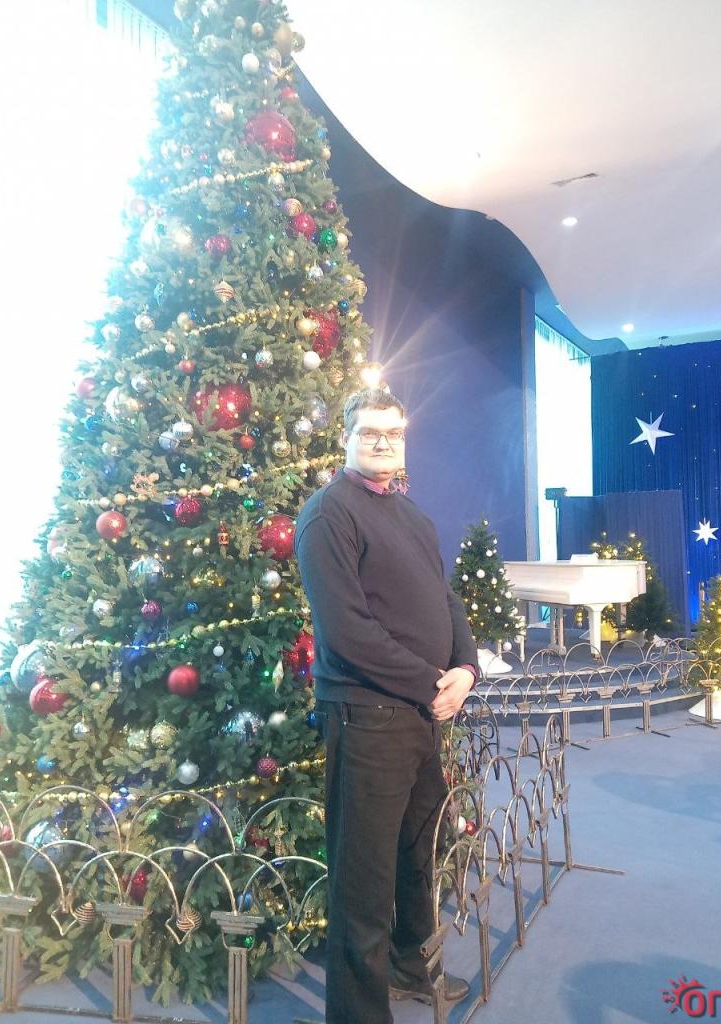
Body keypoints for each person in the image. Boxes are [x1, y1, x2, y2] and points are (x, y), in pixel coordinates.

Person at [294, 388, 478, 1024]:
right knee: (364, 879)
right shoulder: (328, 515)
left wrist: (466, 669)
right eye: (369, 432)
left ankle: (409, 968)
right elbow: (347, 632)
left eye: (393, 433)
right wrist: (432, 682)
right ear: (346, 437)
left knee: (415, 857)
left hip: (422, 716)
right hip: (367, 717)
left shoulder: (411, 515)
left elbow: (446, 599)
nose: (381, 442)